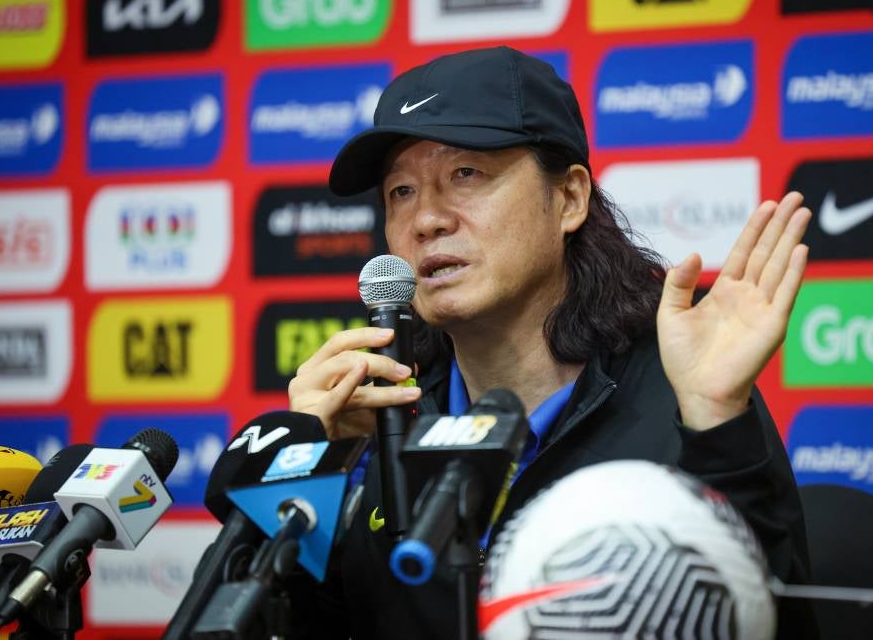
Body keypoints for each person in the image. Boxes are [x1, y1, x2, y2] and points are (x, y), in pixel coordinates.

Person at [288, 46, 818, 638]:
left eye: (466, 174)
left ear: (568, 199)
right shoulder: (385, 418)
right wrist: (306, 483)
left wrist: (720, 429)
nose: (427, 219)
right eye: (401, 192)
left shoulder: (685, 393)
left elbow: (776, 622)